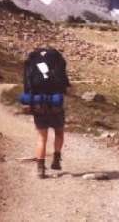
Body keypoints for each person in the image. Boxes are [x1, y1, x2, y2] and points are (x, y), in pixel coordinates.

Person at [21, 47, 70, 179]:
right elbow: (64, 84)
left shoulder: (32, 62)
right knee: (59, 133)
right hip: (55, 105)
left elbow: (26, 86)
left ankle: (40, 169)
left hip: (37, 105)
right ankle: (56, 159)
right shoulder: (57, 62)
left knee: (41, 138)